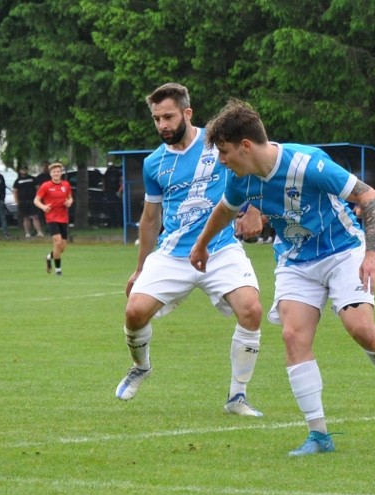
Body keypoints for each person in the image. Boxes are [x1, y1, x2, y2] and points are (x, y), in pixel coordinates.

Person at [191, 97, 375, 456]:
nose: (221, 160)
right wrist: (202, 245)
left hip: (342, 250)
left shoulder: (308, 163)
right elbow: (225, 210)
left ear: (245, 146)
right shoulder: (240, 179)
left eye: (224, 152)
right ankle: (319, 436)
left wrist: (373, 250)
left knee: (361, 329)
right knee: (292, 336)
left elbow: (370, 196)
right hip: (295, 260)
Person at [113, 83, 265, 416]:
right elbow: (151, 218)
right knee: (134, 312)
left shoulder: (218, 142)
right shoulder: (154, 163)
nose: (162, 125)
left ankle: (237, 397)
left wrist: (254, 209)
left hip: (219, 247)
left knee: (251, 309)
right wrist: (139, 268)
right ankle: (141, 367)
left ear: (187, 113)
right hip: (173, 252)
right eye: (156, 119)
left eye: (168, 116)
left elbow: (256, 166)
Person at [34, 162, 72, 275]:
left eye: (58, 171)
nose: (56, 173)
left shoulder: (66, 185)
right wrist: (43, 207)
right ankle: (58, 270)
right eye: (54, 172)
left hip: (63, 218)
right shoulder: (46, 186)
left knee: (62, 247)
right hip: (51, 218)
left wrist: (69, 202)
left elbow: (70, 198)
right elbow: (36, 200)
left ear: (61, 173)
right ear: (50, 174)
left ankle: (49, 257)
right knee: (57, 242)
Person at [13, 165, 45, 238]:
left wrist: (37, 198)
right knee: (25, 217)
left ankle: (39, 232)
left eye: (25, 169)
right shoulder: (17, 181)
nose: (24, 171)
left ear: (27, 170)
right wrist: (17, 201)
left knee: (35, 217)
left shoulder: (33, 179)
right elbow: (15, 191)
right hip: (23, 201)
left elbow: (38, 188)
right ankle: (27, 233)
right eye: (22, 169)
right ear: (20, 171)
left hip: (32, 201)